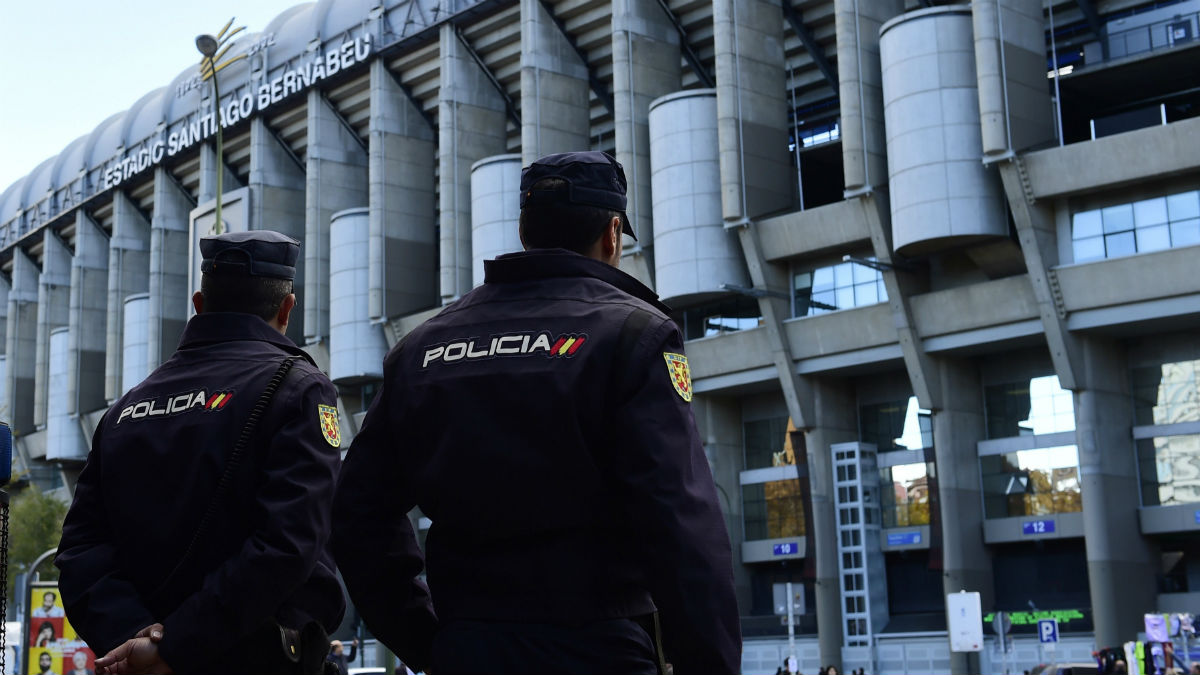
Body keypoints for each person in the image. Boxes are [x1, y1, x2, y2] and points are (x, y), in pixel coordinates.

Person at [332, 151, 740, 675]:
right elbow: (683, 530)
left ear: (525, 231)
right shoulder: (634, 335)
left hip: (467, 648)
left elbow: (357, 516)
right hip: (602, 652)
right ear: (613, 234)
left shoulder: (422, 348)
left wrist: (427, 640)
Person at [55, 230, 346, 674]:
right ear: (287, 309)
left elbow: (81, 549)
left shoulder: (126, 408)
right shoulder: (298, 389)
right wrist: (175, 648)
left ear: (198, 303)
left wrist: (136, 636)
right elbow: (286, 545)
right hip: (258, 660)